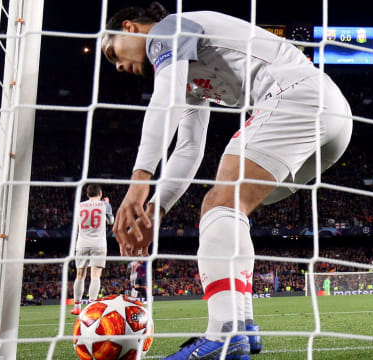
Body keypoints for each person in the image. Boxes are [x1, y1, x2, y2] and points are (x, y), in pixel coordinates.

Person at [103, 3, 353, 359]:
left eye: (114, 52)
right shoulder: (185, 67)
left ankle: (223, 336)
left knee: (220, 203)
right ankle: (243, 326)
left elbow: (165, 100)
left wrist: (139, 182)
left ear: (130, 26)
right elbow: (189, 148)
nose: (119, 66)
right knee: (230, 208)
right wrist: (156, 211)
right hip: (329, 118)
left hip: (297, 97)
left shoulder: (167, 30)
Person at [71, 184, 114, 315]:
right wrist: (107, 205)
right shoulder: (104, 205)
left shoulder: (80, 205)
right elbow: (111, 221)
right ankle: (91, 307)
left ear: (87, 194)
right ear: (100, 193)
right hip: (99, 244)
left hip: (82, 243)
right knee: (95, 275)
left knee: (80, 275)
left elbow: (76, 223)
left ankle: (77, 307)